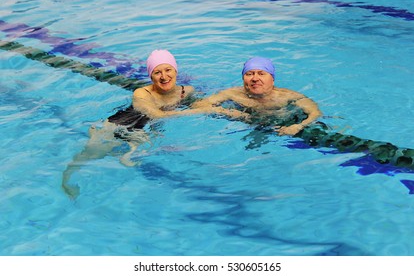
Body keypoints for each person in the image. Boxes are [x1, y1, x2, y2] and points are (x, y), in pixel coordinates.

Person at [62, 49, 244, 199]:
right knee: (88, 156)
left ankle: (128, 151)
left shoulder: (186, 91)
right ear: (151, 76)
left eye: (168, 70)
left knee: (143, 146)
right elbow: (158, 115)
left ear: (176, 71)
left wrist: (229, 107)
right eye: (157, 72)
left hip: (142, 130)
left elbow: (199, 105)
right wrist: (207, 110)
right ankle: (67, 180)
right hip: (117, 126)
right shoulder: (141, 93)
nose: (164, 76)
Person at [192, 56, 322, 136]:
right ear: (243, 79)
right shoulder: (232, 94)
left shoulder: (288, 96)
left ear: (272, 79)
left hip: (286, 123)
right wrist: (225, 111)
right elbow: (199, 104)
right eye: (249, 74)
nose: (255, 78)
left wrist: (299, 126)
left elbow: (315, 113)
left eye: (261, 73)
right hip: (252, 123)